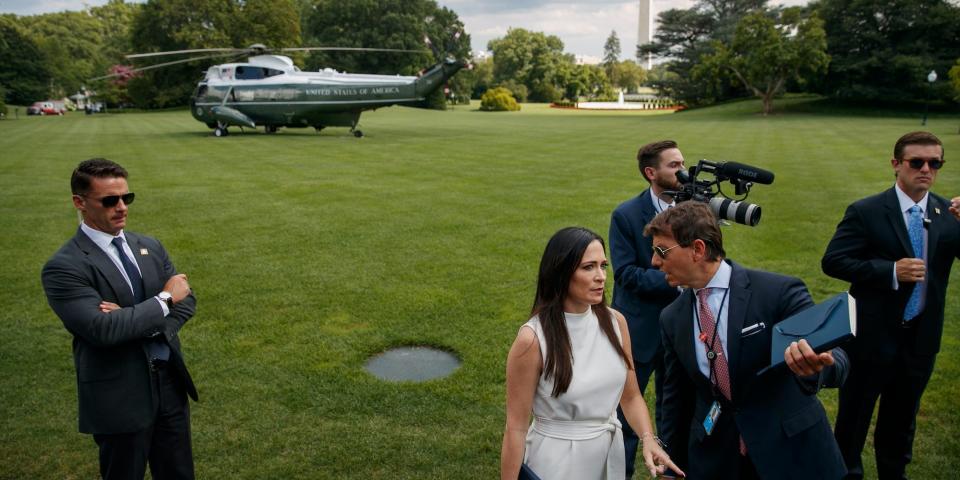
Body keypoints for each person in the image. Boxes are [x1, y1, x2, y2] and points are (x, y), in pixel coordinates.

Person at [648, 202, 848, 480]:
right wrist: (671, 464)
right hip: (718, 457)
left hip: (789, 451)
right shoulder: (672, 317)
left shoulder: (777, 292)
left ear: (697, 249)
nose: (654, 262)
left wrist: (819, 366)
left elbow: (835, 357)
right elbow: (675, 399)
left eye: (661, 251)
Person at [41, 158, 198, 480]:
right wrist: (163, 299)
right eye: (110, 200)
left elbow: (187, 300)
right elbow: (103, 330)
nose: (122, 207)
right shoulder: (64, 267)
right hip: (120, 393)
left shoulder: (148, 245)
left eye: (127, 198)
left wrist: (134, 319)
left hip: (169, 384)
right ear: (79, 203)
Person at [821, 131, 960, 480]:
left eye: (935, 163)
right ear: (896, 164)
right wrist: (889, 271)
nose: (926, 169)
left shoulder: (947, 214)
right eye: (917, 162)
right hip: (869, 338)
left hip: (921, 340)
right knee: (853, 423)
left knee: (900, 424)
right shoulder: (867, 211)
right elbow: (834, 261)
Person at [500, 227, 682, 480]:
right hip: (555, 463)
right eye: (588, 267)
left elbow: (630, 397)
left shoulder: (616, 322)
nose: (601, 277)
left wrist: (648, 438)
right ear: (561, 272)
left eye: (603, 266)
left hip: (607, 459)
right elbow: (516, 427)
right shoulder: (532, 340)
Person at [609, 140, 686, 477]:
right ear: (651, 173)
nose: (682, 171)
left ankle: (673, 474)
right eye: (674, 165)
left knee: (676, 415)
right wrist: (679, 280)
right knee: (625, 419)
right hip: (637, 331)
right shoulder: (625, 215)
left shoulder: (695, 212)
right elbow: (625, 274)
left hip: (683, 330)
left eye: (683, 162)